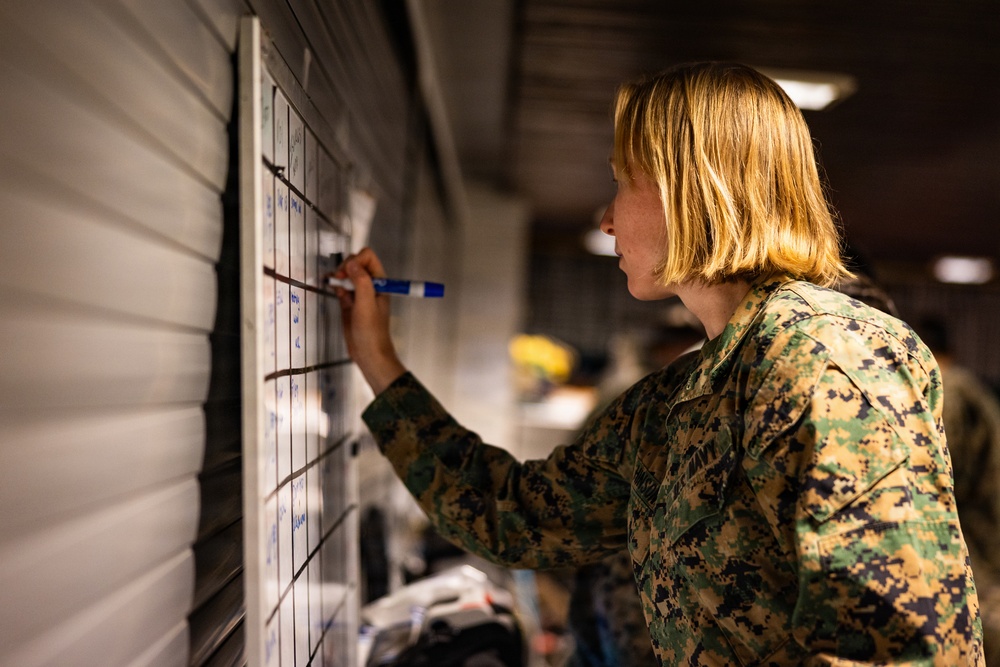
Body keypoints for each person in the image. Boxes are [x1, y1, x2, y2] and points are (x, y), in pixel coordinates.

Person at [333, 62, 983, 665]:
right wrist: (378, 360)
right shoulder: (681, 396)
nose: (607, 218)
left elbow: (901, 644)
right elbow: (519, 517)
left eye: (621, 181)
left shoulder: (825, 355)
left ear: (690, 186)